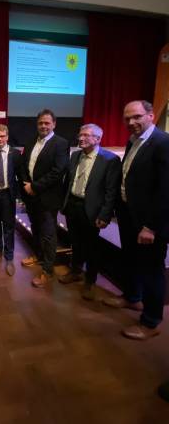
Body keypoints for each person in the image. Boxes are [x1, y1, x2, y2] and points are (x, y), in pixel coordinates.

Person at [103, 100, 169, 340]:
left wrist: (151, 227)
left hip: (149, 223)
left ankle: (151, 322)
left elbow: (166, 191)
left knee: (152, 271)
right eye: (127, 118)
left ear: (151, 116)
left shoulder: (163, 143)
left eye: (137, 117)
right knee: (131, 260)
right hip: (128, 216)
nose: (131, 122)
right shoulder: (133, 140)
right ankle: (132, 297)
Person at [59, 124, 121, 299]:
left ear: (98, 139)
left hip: (92, 209)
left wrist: (105, 215)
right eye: (80, 135)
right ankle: (75, 271)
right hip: (73, 205)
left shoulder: (110, 160)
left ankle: (90, 281)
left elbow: (111, 191)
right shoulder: (75, 155)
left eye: (86, 135)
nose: (81, 138)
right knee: (75, 242)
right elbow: (68, 181)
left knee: (92, 247)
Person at [21, 108, 69, 288]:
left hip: (48, 198)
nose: (43, 126)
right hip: (31, 196)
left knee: (48, 234)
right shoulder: (31, 141)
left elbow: (58, 171)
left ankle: (48, 270)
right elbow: (24, 164)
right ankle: (39, 256)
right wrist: (26, 184)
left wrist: (34, 187)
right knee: (35, 228)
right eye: (40, 123)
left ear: (54, 124)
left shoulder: (61, 143)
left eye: (47, 123)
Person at [0, 124, 22, 276]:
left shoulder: (15, 154)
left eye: (2, 136)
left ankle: (9, 256)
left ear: (7, 137)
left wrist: (20, 196)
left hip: (8, 195)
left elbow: (21, 175)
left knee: (9, 226)